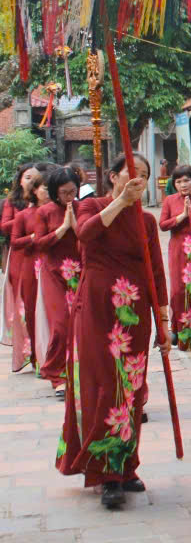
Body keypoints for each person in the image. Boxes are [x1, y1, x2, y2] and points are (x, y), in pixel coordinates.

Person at [57, 154, 169, 510]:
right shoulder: (91, 205)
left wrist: (164, 321)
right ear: (113, 177)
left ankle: (126, 464)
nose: (140, 182)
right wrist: (121, 202)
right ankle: (106, 474)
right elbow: (85, 237)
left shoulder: (147, 222)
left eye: (146, 176)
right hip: (97, 307)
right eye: (132, 175)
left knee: (131, 387)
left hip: (134, 310)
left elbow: (156, 271)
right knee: (102, 386)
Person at [35, 168, 81, 394]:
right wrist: (63, 228)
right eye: (64, 193)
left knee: (81, 325)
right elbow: (40, 244)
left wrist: (76, 227)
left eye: (73, 191)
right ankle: (56, 374)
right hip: (54, 273)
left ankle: (78, 372)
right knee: (61, 325)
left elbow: (91, 239)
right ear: (55, 193)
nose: (69, 197)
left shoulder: (84, 209)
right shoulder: (45, 212)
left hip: (80, 273)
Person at [158, 165, 191, 350]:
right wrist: (182, 216)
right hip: (178, 249)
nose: (183, 184)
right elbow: (162, 225)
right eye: (178, 181)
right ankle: (180, 331)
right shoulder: (170, 200)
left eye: (186, 180)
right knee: (178, 290)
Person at [9, 165, 48, 372]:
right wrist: (33, 238)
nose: (48, 192)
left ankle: (55, 357)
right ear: (34, 191)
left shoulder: (55, 212)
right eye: (44, 188)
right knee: (33, 312)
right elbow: (15, 242)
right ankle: (37, 357)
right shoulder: (24, 215)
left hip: (53, 265)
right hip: (30, 267)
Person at [2, 163, 37, 370]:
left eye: (34, 177)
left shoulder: (45, 202)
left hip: (39, 256)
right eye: (27, 177)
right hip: (19, 256)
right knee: (22, 305)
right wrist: (23, 221)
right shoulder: (13, 202)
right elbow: (4, 226)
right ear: (20, 180)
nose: (31, 181)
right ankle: (27, 350)